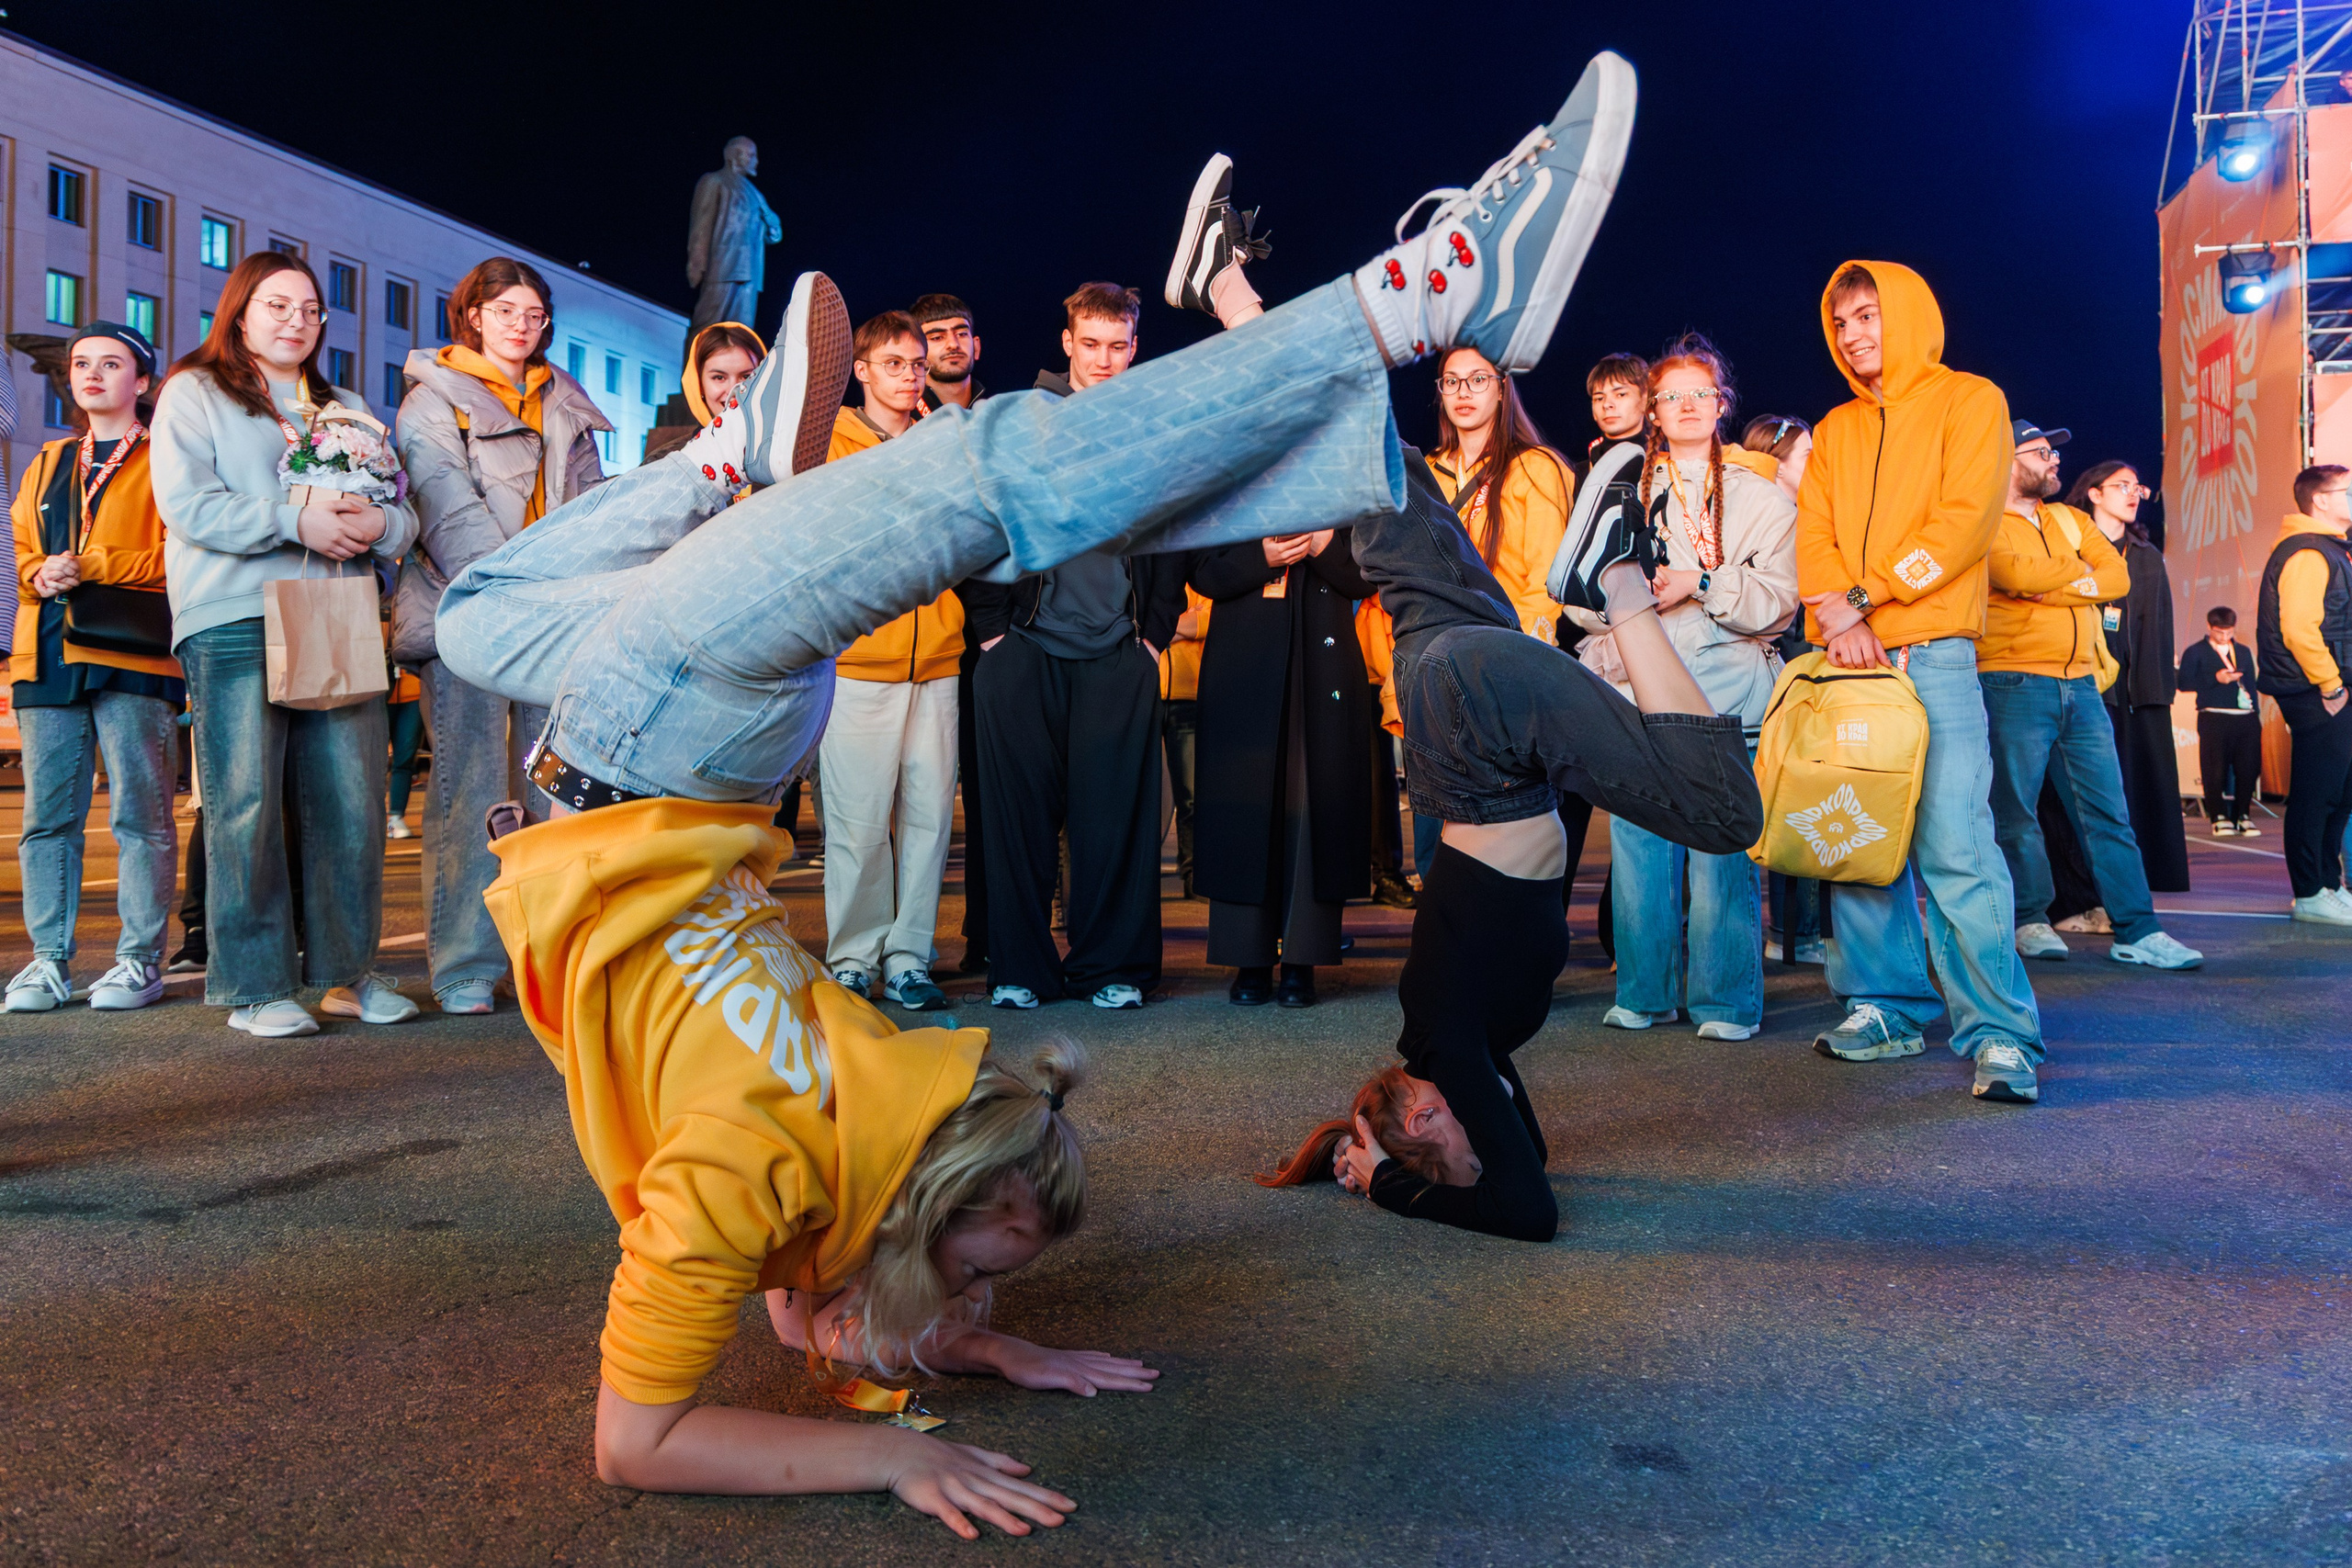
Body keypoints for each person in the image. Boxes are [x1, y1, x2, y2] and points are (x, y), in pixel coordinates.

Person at [424, 48, 1646, 1511]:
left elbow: (641, 1440)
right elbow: (832, 1308)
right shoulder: (833, 1178)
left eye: (981, 1277)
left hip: (645, 736)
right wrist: (980, 1354)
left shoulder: (740, 1183)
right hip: (669, 752)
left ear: (920, 1204)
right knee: (519, 605)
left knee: (957, 481)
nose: (984, 1309)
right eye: (986, 1290)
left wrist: (879, 1448)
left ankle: (1432, 290)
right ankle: (737, 465)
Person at [1794, 262, 2046, 1102]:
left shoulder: (1971, 399)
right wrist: (1839, 619)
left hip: (1931, 653)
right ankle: (1884, 1006)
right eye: (1841, 323)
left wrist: (1866, 599)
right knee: (1858, 844)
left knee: (1957, 846)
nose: (1855, 333)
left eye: (1869, 315)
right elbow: (1816, 533)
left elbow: (1966, 518)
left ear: (1906, 314)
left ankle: (2001, 1033)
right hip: (1846, 658)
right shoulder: (1833, 428)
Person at [151, 253, 420, 1037]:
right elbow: (188, 504)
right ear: (239, 312)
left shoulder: (346, 405)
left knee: (349, 802)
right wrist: (291, 518)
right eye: (277, 306)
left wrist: (383, 527)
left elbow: (404, 514)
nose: (296, 321)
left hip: (333, 609)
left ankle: (347, 973)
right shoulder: (194, 392)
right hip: (233, 611)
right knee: (246, 802)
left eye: (309, 309)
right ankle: (254, 985)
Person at [392, 257, 609, 1015]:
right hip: (473, 619)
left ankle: (544, 960)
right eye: (507, 310)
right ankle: (464, 966)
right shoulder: (430, 404)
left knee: (554, 801)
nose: (523, 324)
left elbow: (592, 507)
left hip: (556, 621)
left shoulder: (565, 399)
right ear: (473, 316)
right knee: (471, 795)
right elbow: (452, 519)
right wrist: (523, 593)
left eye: (534, 314)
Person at [966, 283, 1184, 1011]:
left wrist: (1153, 637)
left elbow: (1174, 536)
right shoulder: (1020, 422)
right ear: (1067, 342)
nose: (1104, 359)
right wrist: (991, 630)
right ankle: (1020, 970)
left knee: (1114, 826)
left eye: (1118, 345)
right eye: (1090, 344)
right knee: (1017, 823)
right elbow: (982, 523)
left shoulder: (1152, 428)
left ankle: (1109, 967)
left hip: (1117, 653)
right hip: (1022, 646)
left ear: (1134, 347)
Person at [1579, 333, 1796, 1039]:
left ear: (1721, 403)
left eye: (1698, 393)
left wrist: (1702, 582)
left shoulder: (1760, 494)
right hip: (1644, 681)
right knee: (1640, 843)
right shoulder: (1620, 486)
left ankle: (1726, 998)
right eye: (1670, 395)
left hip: (1731, 687)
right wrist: (1631, 593)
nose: (1685, 406)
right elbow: (1576, 592)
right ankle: (1645, 991)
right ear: (1653, 410)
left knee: (1721, 850)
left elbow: (1782, 598)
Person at [1977, 420, 2201, 972]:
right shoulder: (1980, 522)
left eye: (2054, 451)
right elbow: (2007, 572)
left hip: (2081, 683)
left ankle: (2138, 930)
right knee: (2016, 813)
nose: (2054, 460)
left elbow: (2116, 578)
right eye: (2040, 451)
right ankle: (2029, 918)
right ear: (2003, 459)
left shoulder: (2072, 517)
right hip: (2011, 680)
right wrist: (2075, 576)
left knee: (2109, 812)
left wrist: (2043, 583)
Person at [4, 322, 182, 1014]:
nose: (93, 375)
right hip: (46, 651)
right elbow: (15, 547)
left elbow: (179, 552)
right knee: (47, 819)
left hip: (133, 653)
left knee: (141, 816)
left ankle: (139, 960)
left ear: (141, 381)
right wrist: (34, 570)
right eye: (82, 363)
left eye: (112, 364)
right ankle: (48, 962)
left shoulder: (164, 457)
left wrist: (92, 564)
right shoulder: (48, 460)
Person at [818, 311, 962, 1012]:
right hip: (859, 659)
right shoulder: (831, 444)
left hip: (937, 656)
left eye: (915, 362)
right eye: (894, 363)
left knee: (930, 819)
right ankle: (852, 957)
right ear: (862, 370)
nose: (909, 375)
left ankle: (908, 957)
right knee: (857, 823)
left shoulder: (942, 439)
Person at [1187, 518, 1372, 1010]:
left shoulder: (1343, 482)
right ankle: (1247, 959)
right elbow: (1201, 570)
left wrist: (1321, 544)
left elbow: (1366, 574)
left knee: (1310, 804)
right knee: (1244, 803)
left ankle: (1301, 960)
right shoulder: (1233, 477)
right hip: (1242, 657)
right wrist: (1261, 557)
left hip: (1323, 657)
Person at [910, 294, 995, 973]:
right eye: (934, 336)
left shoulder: (999, 419)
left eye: (958, 333)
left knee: (996, 794)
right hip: (930, 633)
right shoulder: (904, 427)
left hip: (1000, 634)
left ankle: (989, 934)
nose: (949, 345)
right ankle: (904, 943)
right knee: (926, 799)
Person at [2069, 458, 2190, 893]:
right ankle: (2089, 888)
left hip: (2144, 690)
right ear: (2094, 493)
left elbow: (2158, 626)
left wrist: (2160, 687)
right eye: (2122, 485)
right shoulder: (2071, 548)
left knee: (2147, 786)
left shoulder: (2146, 555)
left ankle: (2147, 880)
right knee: (2095, 791)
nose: (2134, 494)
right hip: (2090, 685)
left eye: (2138, 487)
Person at [1741, 412, 1826, 964]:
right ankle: (1791, 931)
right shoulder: (1760, 518)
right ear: (1776, 462)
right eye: (1806, 457)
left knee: (1802, 795)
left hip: (1797, 666)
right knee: (1781, 797)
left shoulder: (1807, 514)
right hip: (1773, 671)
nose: (1817, 466)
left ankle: (1797, 930)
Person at [2255, 464, 2352, 926]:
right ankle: (2310, 891)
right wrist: (2331, 684)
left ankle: (2329, 885)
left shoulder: (2332, 550)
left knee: (2340, 791)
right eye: (2348, 491)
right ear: (2321, 501)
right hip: (2317, 690)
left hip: (2333, 687)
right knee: (2318, 792)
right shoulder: (2308, 552)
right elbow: (2298, 627)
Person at [2180, 605, 2263, 836]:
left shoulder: (2243, 651)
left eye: (2228, 632)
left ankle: (2242, 814)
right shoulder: (2196, 652)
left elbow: (2252, 686)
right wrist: (2214, 678)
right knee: (2214, 768)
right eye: (2219, 632)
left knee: (2249, 767)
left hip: (2245, 716)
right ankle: (2218, 815)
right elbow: (2184, 682)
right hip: (2213, 714)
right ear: (2209, 627)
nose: (2224, 637)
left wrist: (2256, 713)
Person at [644, 321, 765, 465]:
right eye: (719, 378)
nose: (734, 390)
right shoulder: (666, 462)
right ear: (699, 385)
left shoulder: (787, 449)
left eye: (746, 377)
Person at [1158, 584, 1210, 898]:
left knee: (1191, 796)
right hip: (1147, 691)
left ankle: (1192, 875)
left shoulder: (1198, 580)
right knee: (1142, 796)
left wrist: (1165, 624)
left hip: (1188, 693)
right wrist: (1185, 623)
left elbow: (1208, 620)